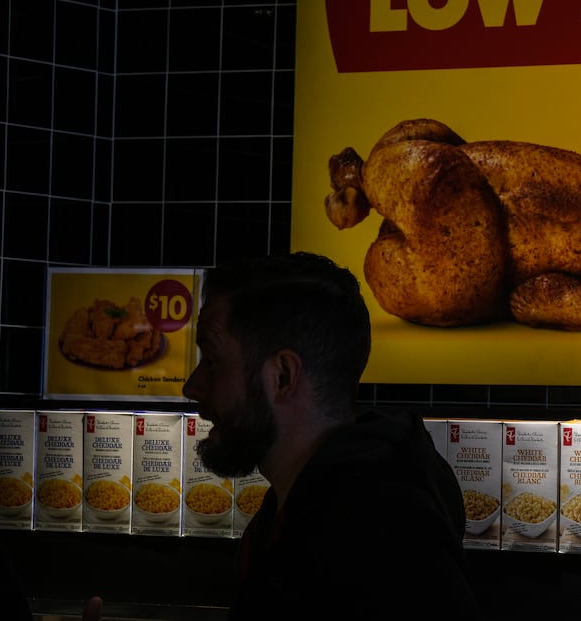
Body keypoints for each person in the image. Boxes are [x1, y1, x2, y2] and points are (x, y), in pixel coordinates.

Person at [85, 251, 478, 620]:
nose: (193, 386)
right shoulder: (298, 509)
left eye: (214, 361)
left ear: (283, 376)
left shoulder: (385, 549)